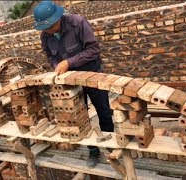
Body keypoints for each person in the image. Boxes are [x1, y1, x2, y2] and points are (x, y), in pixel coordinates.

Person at [33, 1, 114, 168]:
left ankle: (111, 145)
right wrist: (57, 65)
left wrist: (68, 62)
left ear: (57, 19)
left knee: (104, 111)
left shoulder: (78, 23)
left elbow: (93, 50)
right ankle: (93, 149)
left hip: (92, 74)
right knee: (80, 116)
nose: (47, 31)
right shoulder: (45, 35)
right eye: (44, 28)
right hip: (70, 82)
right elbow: (49, 55)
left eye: (49, 27)